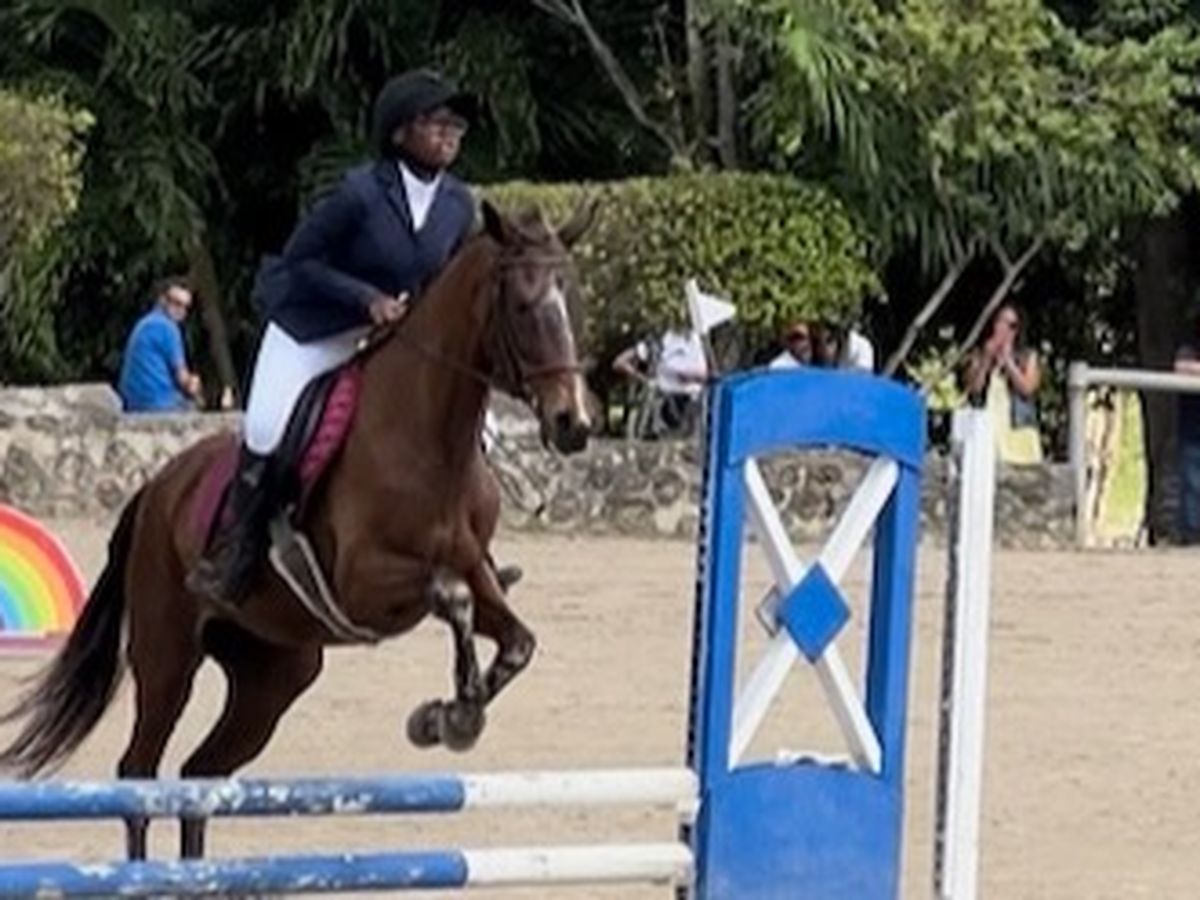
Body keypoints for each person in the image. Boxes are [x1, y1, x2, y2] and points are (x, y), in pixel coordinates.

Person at [187, 68, 480, 605]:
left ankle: (470, 555)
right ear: (400, 132)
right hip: (314, 328)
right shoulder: (359, 193)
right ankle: (237, 550)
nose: (450, 131)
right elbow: (300, 260)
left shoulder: (459, 205)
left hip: (390, 341)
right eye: (435, 121)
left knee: (461, 428)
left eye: (455, 123)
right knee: (268, 429)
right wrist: (366, 299)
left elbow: (448, 281)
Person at [963, 303, 1043, 464]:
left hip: (1018, 430)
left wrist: (1009, 363)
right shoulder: (979, 355)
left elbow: (1028, 388)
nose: (1005, 330)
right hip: (986, 427)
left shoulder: (1027, 356)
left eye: (1011, 325)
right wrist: (986, 360)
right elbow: (974, 389)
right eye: (1000, 321)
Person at [117, 277, 203, 413]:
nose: (181, 311)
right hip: (159, 403)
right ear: (162, 300)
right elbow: (182, 379)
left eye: (186, 307)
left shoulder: (144, 323)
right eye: (177, 304)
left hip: (131, 403)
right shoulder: (168, 328)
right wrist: (194, 383)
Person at [613, 328, 708, 437]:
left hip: (694, 408)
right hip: (668, 408)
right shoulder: (659, 343)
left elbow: (708, 374)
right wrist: (645, 380)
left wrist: (694, 376)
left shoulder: (700, 339)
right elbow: (619, 362)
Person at [1173, 313, 1200, 544]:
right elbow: (1182, 367)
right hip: (1194, 428)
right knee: (1191, 479)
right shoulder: (1192, 337)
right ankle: (1192, 536)